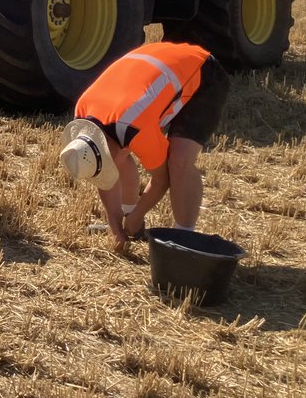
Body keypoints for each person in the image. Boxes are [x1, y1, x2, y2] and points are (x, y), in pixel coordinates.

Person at [58, 41, 231, 250]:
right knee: (118, 157)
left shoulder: (134, 125)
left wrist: (138, 215)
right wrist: (116, 228)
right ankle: (128, 218)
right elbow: (105, 174)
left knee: (179, 160)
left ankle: (185, 238)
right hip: (160, 62)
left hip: (204, 72)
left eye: (104, 165)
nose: (106, 171)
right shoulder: (83, 117)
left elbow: (161, 178)